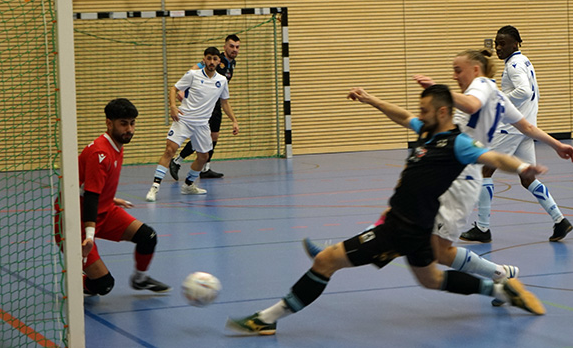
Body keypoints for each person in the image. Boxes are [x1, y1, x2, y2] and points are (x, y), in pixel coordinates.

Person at [226, 85, 547, 336]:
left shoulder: (457, 144)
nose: (420, 115)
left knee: (325, 261)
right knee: (432, 281)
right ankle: (499, 289)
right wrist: (371, 100)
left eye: (426, 110)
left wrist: (522, 166)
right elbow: (402, 115)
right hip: (410, 227)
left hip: (401, 229)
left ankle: (267, 319)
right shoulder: (426, 131)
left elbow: (493, 159)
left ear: (444, 111)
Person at [306, 49, 573, 307]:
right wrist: (556, 145)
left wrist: (440, 91)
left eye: (458, 70)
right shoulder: (497, 98)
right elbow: (526, 126)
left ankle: (501, 274)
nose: (455, 75)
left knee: (438, 251)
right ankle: (339, 253)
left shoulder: (481, 86)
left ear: (476, 69)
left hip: (460, 179)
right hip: (448, 169)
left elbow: (472, 104)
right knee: (399, 218)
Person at [461, 26, 572, 243]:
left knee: (485, 168)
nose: (498, 47)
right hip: (525, 125)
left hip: (512, 127)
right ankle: (560, 220)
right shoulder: (524, 61)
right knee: (527, 177)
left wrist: (498, 99)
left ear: (515, 44)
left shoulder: (513, 65)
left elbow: (524, 91)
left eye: (503, 43)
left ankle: (483, 228)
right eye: (496, 43)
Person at [54, 98, 171, 296]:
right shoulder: (100, 152)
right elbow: (90, 195)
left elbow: (89, 185)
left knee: (147, 237)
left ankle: (140, 279)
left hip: (103, 210)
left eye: (132, 123)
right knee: (104, 285)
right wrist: (89, 237)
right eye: (123, 123)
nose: (129, 129)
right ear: (109, 123)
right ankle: (78, 280)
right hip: (76, 222)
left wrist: (110, 198)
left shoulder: (117, 145)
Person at [146, 47, 239, 202]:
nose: (211, 62)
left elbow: (225, 102)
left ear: (218, 61)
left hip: (202, 124)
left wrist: (234, 120)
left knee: (203, 157)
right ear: (204, 59)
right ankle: (154, 188)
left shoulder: (222, 81)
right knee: (170, 150)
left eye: (214, 59)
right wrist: (173, 107)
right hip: (184, 119)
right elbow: (174, 88)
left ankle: (188, 185)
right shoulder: (193, 75)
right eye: (208, 58)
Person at [169, 34, 241, 180]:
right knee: (203, 137)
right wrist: (182, 90)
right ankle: (177, 161)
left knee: (214, 137)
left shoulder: (232, 63)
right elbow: (194, 69)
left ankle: (205, 168)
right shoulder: (215, 59)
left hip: (216, 104)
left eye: (237, 47)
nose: (234, 49)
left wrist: (234, 119)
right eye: (231, 46)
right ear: (225, 47)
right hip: (203, 105)